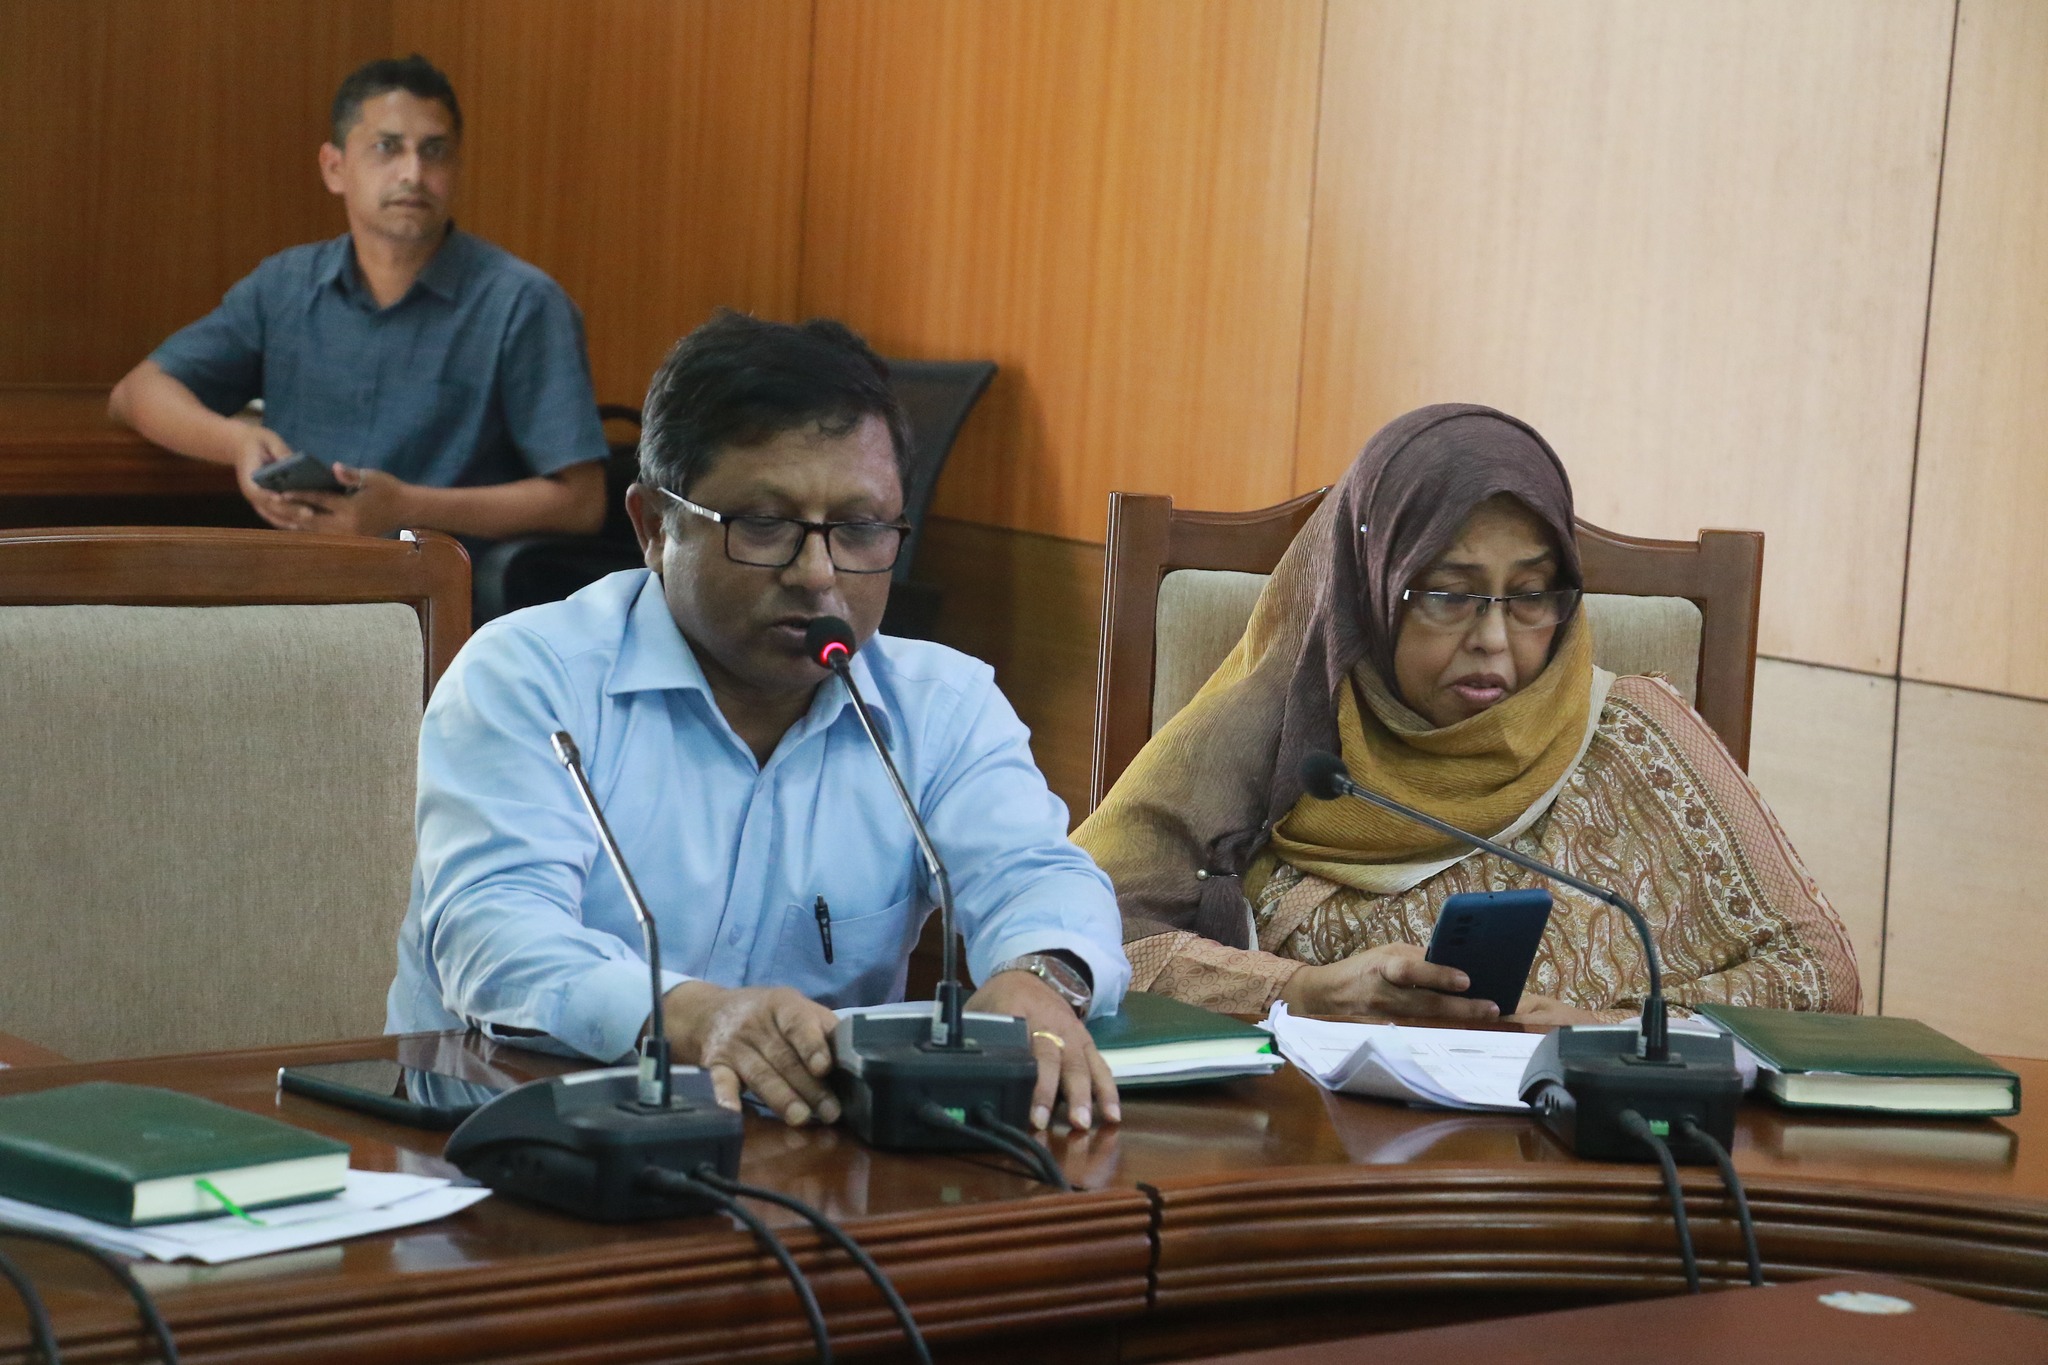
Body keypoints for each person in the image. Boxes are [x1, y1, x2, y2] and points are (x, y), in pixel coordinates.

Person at [388, 311, 1127, 1133]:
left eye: (859, 529)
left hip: (811, 1158)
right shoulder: (531, 678)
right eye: (766, 525)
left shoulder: (941, 706)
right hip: (505, 1145)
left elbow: (1040, 877)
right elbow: (492, 935)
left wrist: (1037, 980)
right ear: (653, 526)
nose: (817, 573)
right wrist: (692, 1016)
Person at [1074, 403, 1859, 1023]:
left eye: (1531, 595)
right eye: (1450, 594)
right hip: (1323, 1146)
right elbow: (1069, 943)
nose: (1493, 639)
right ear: (1373, 594)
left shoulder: (1636, 732)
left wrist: (1603, 1031)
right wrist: (1299, 991)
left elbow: (1820, 974)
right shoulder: (1288, 748)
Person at [108, 55, 607, 542]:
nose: (413, 173)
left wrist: (408, 507)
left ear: (456, 168)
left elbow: (582, 502)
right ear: (335, 168)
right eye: (387, 148)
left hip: (446, 588)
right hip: (300, 578)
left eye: (434, 151)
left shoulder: (522, 302)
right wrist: (239, 443)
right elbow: (136, 393)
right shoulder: (286, 286)